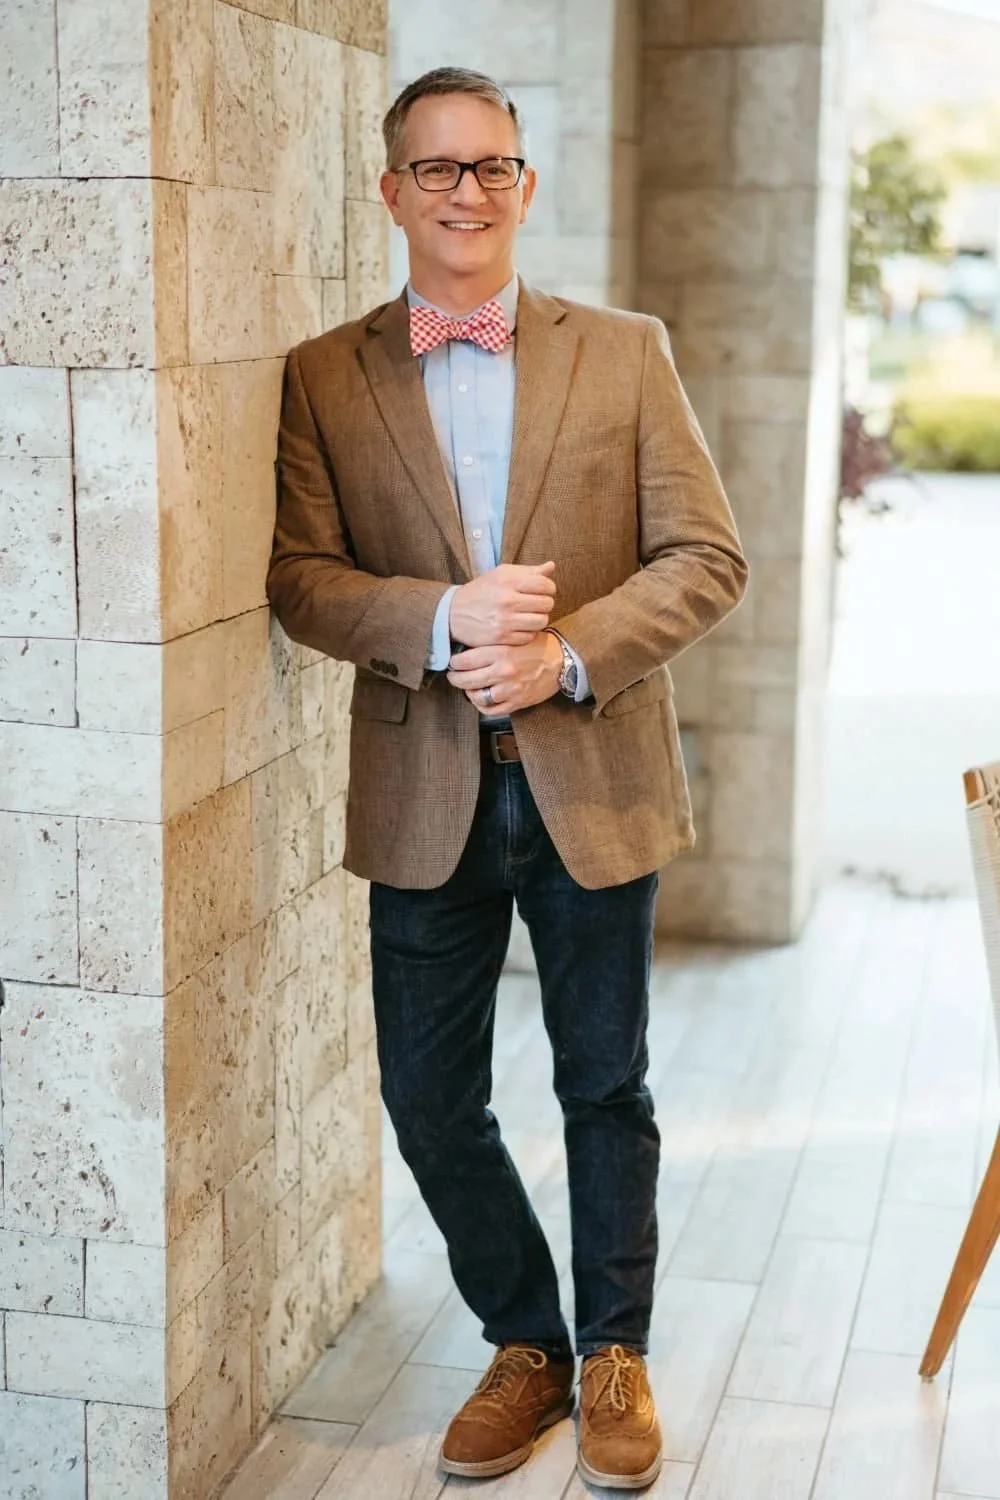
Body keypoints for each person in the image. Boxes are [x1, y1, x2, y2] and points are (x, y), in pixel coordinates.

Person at [267, 66, 747, 1492]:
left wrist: (568, 655)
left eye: (491, 167)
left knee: (605, 1083)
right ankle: (525, 1340)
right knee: (427, 1099)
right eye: (436, 168)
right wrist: (441, 620)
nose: (465, 192)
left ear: (526, 187)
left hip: (592, 773)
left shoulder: (625, 350)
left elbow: (707, 559)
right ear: (391, 188)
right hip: (422, 791)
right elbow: (299, 580)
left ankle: (614, 1355)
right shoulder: (322, 374)